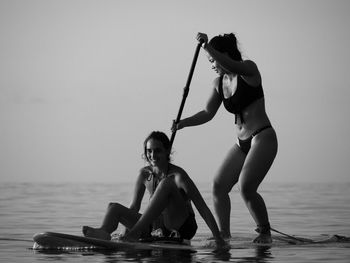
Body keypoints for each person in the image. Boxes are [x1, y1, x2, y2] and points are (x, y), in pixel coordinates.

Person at [173, 33, 278, 243]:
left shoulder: (249, 69)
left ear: (224, 55)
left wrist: (207, 47)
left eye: (213, 60)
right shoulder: (219, 83)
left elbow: (233, 66)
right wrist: (182, 123)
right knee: (218, 186)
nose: (212, 64)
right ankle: (224, 235)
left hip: (263, 137)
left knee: (246, 187)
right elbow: (207, 113)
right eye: (210, 61)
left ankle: (264, 232)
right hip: (241, 143)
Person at [82, 131, 225, 247]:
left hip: (181, 226)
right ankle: (104, 232)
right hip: (156, 227)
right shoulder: (144, 174)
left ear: (167, 151)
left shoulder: (178, 176)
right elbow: (134, 208)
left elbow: (203, 208)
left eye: (158, 151)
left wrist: (218, 239)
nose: (152, 155)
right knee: (113, 207)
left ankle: (134, 235)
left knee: (166, 184)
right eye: (149, 151)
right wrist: (123, 239)